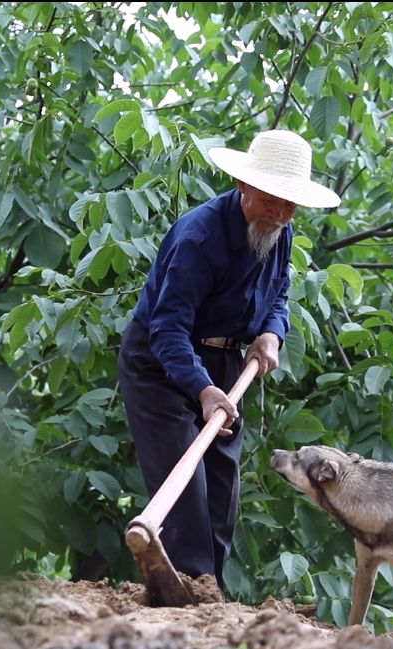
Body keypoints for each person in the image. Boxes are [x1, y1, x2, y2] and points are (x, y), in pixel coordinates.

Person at [117, 129, 341, 593]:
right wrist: (201, 390)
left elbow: (279, 292)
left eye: (290, 206)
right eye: (270, 201)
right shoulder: (199, 238)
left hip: (226, 361)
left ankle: (207, 588)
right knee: (187, 489)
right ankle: (187, 593)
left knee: (222, 488)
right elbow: (168, 329)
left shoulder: (280, 230)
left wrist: (271, 334)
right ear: (244, 185)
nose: (279, 214)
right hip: (161, 362)